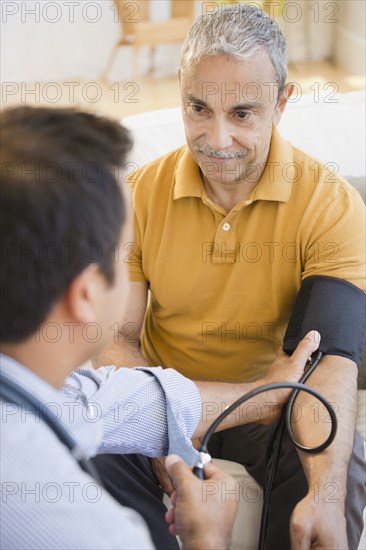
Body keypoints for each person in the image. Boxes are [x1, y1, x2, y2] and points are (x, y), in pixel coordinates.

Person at [93, 4, 366, 550]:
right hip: (174, 399)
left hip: (279, 410)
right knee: (97, 434)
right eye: (198, 108)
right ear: (181, 89)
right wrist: (164, 426)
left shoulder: (330, 205)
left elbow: (333, 360)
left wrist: (325, 491)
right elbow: (115, 341)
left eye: (243, 113)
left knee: (341, 464)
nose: (216, 139)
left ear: (281, 104)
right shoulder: (137, 197)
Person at [0, 105, 320, 550]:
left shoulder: (39, 384)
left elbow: (111, 401)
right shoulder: (74, 525)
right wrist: (208, 537)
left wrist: (263, 394)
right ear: (87, 294)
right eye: (125, 251)